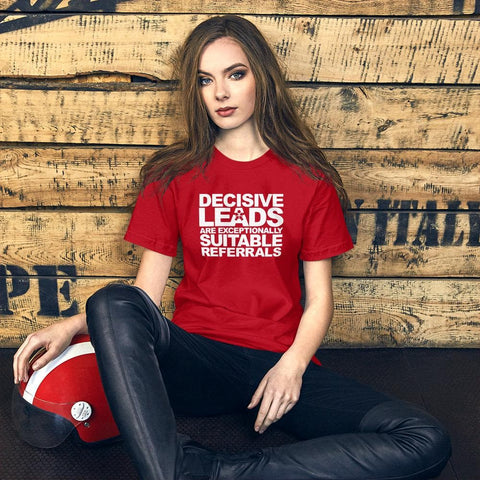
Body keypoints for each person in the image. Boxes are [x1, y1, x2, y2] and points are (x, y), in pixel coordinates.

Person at [13, 15, 451, 480]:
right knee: (111, 299)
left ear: (261, 77)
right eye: (206, 80)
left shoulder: (310, 181)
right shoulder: (173, 176)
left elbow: (320, 299)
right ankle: (172, 471)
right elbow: (142, 298)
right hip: (195, 358)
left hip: (277, 363)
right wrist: (76, 325)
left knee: (424, 438)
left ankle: (218, 471)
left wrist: (292, 367)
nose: (220, 93)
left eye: (235, 74)